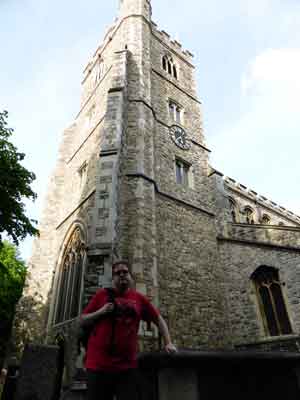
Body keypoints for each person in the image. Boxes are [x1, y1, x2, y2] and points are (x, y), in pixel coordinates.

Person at [80, 260, 177, 400]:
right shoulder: (102, 295)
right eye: (117, 273)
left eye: (125, 272)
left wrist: (168, 342)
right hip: (98, 366)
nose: (122, 275)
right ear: (113, 278)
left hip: (126, 367)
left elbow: (158, 319)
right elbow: (82, 320)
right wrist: (101, 312)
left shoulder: (139, 299)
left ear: (130, 276)